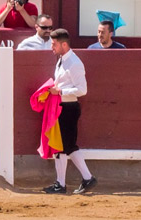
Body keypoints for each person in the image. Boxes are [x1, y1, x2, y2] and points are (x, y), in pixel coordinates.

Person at [42, 29, 98, 195]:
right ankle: (67, 182)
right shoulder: (62, 60)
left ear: (64, 44)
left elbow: (82, 90)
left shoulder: (74, 63)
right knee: (63, 146)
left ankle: (81, 180)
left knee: (66, 146)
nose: (51, 47)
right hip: (61, 107)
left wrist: (59, 92)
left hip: (69, 108)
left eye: (54, 44)